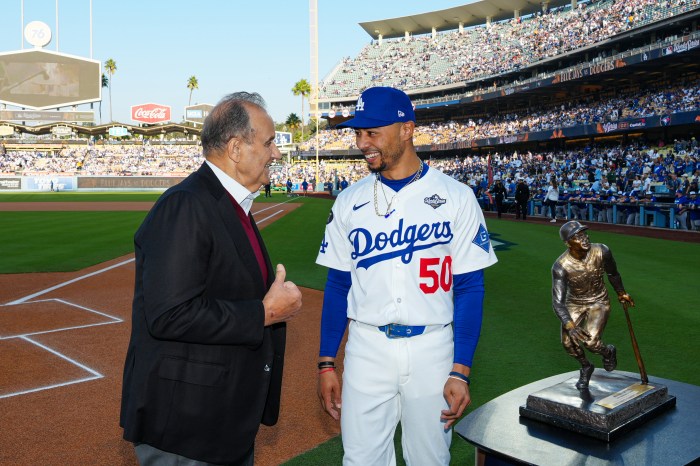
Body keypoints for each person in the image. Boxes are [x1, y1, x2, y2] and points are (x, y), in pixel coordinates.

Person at [315, 86, 498, 465]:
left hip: (433, 348)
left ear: (406, 129)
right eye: (358, 133)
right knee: (361, 460)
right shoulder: (349, 200)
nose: (362, 143)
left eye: (372, 132)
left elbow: (469, 287)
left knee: (429, 460)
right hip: (367, 348)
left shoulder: (457, 196)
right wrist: (326, 361)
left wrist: (460, 370)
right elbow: (337, 285)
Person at [120, 92, 303, 465]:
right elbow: (170, 313)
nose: (277, 154)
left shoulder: (230, 204)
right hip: (187, 427)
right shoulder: (186, 204)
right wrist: (263, 313)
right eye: (269, 143)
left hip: (220, 420)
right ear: (236, 148)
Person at [551, 221, 634, 390]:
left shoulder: (602, 250)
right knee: (568, 343)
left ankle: (607, 352)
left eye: (584, 234)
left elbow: (613, 273)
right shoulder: (560, 266)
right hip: (574, 302)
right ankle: (586, 366)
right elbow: (557, 302)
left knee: (591, 342)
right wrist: (570, 325)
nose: (584, 238)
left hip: (598, 301)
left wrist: (621, 292)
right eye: (578, 236)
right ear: (568, 243)